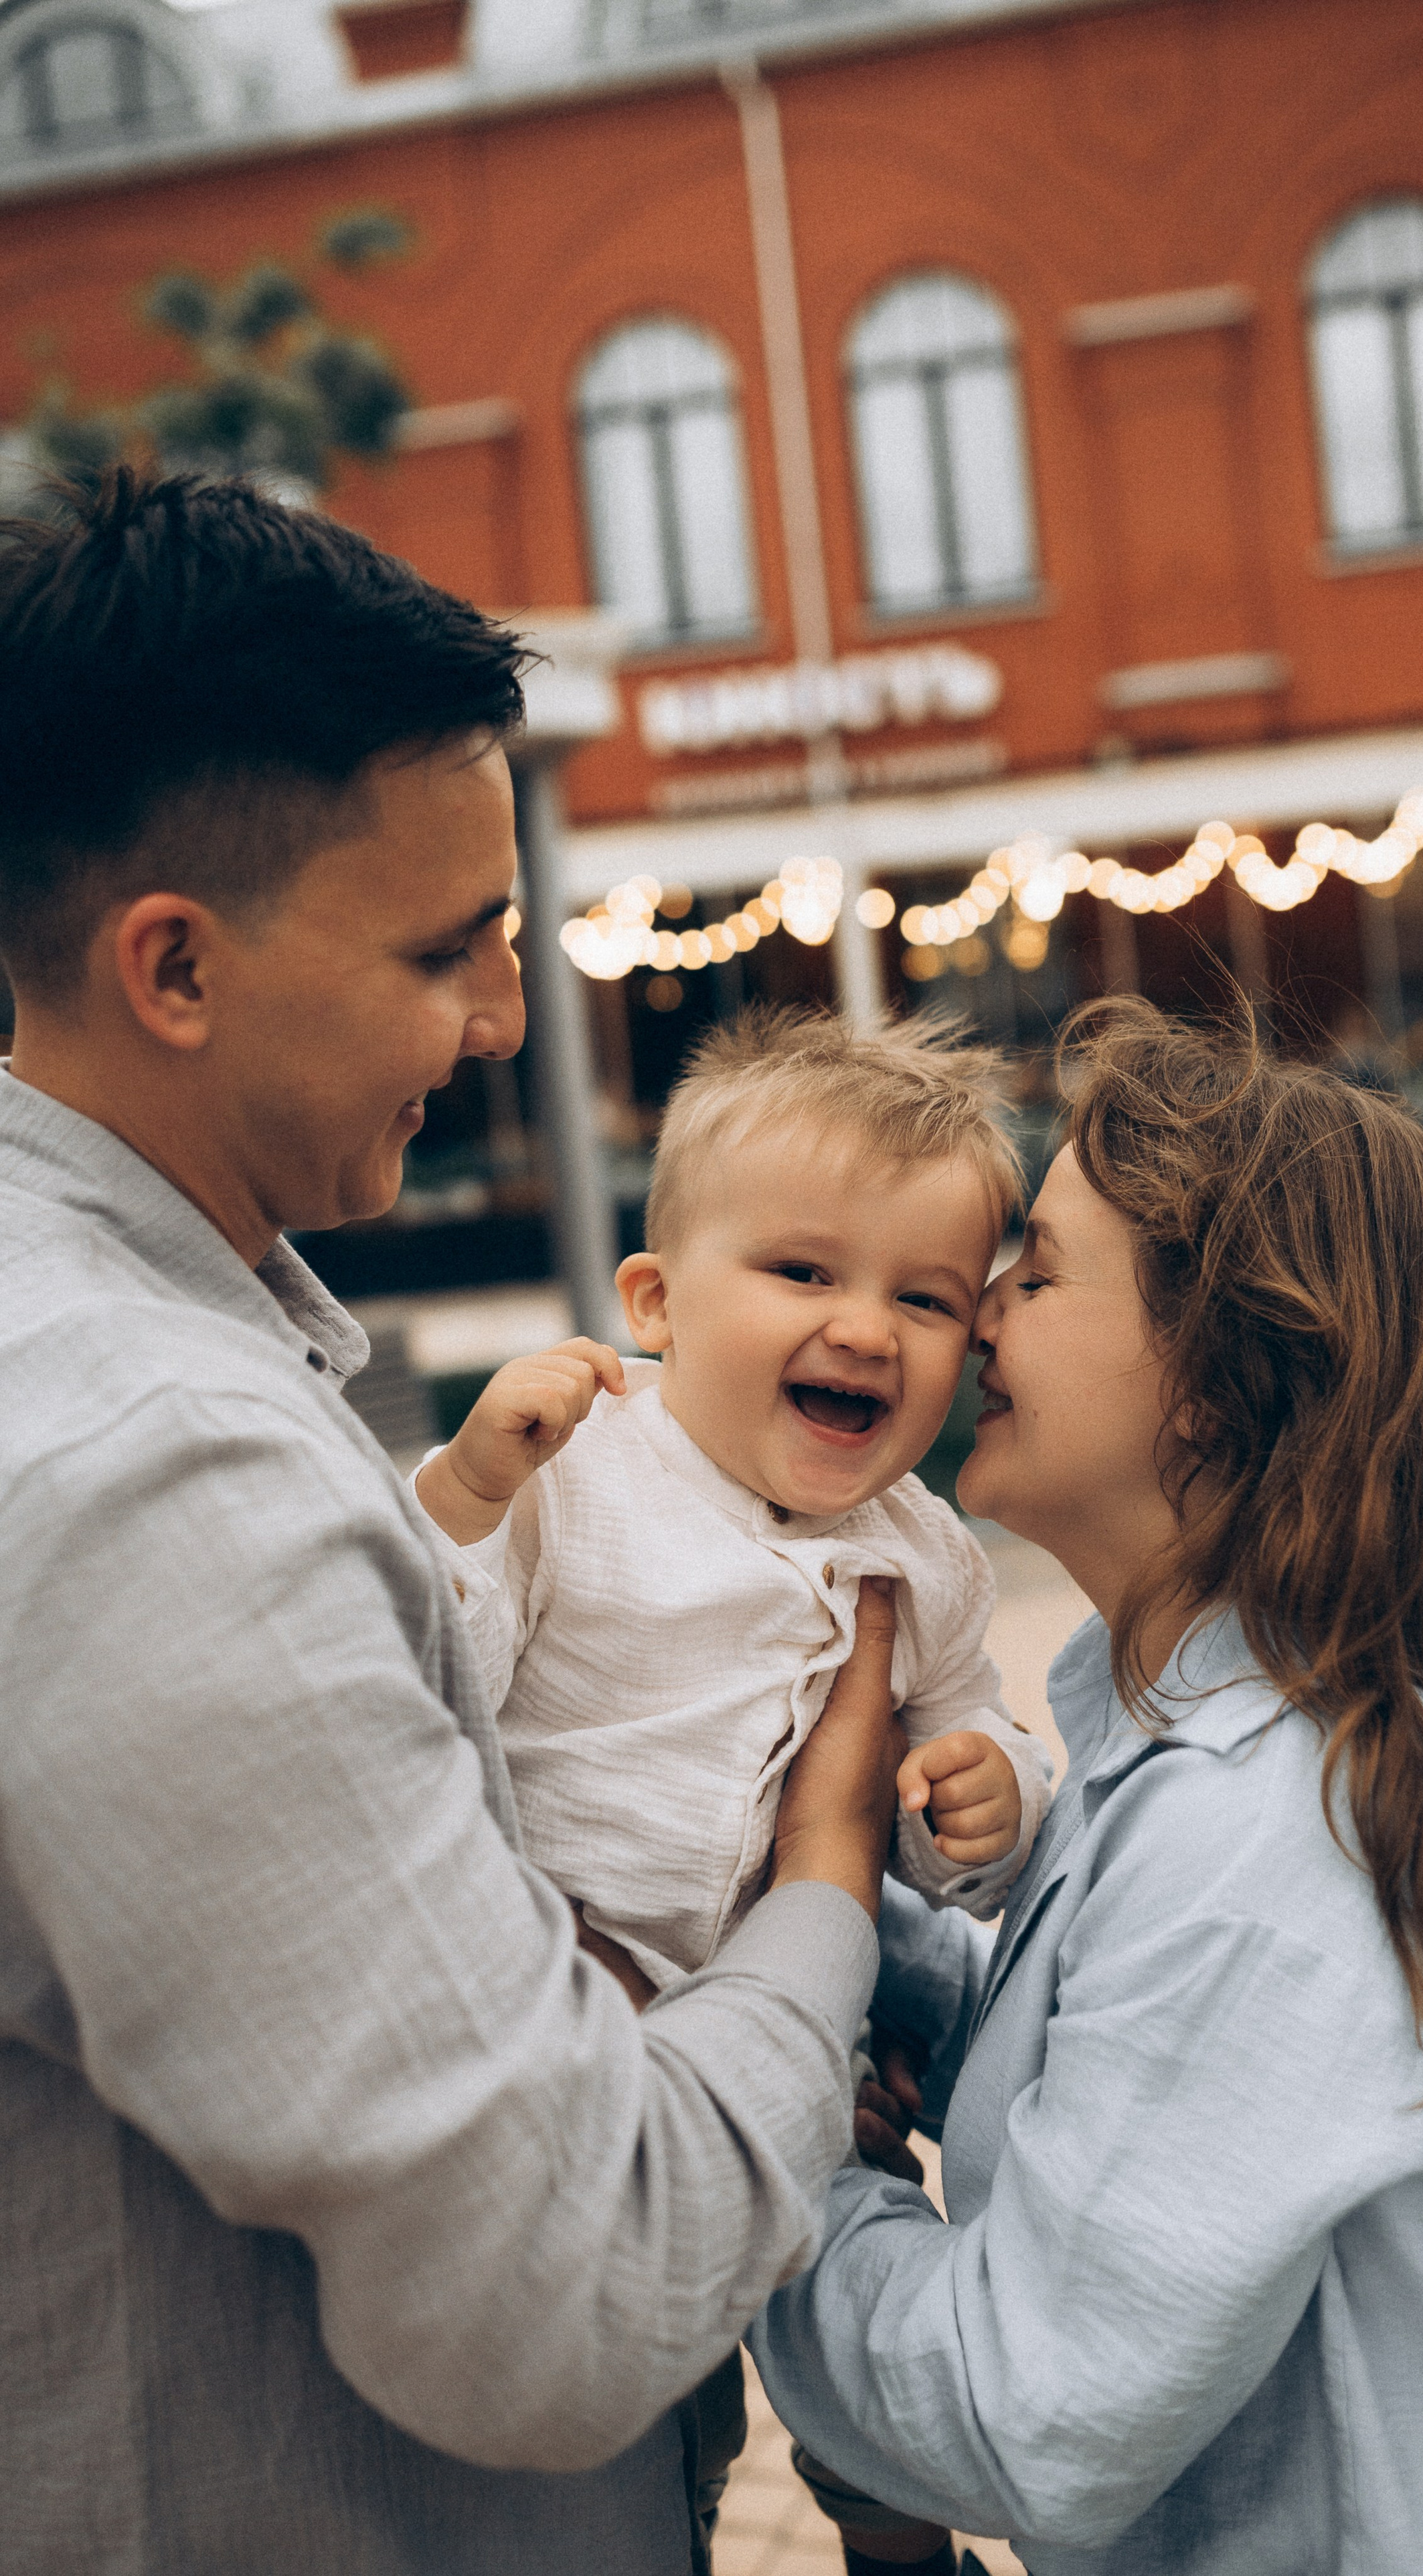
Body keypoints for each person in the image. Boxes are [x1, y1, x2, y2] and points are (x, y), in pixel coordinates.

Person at [0, 469, 906, 2575]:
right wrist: (828, 1876)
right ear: (176, 968)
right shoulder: (163, 1479)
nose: (505, 1019)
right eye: (446, 950)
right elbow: (560, 2297)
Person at [752, 996, 1423, 2575]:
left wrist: (757, 2142)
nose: (971, 1315)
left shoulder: (1288, 1824)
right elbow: (1122, 2022)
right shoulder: (1262, 1736)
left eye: (1037, 1270)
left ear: (1211, 1376)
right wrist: (844, 1929)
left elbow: (1022, 2412)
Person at [412, 1009, 1056, 2555]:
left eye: (922, 1297)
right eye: (802, 1272)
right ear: (653, 1303)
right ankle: (677, 2508)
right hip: (567, 2001)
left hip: (794, 2038)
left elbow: (973, 1747)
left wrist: (995, 1796)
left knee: (853, 2320)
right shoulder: (582, 1471)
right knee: (644, 2377)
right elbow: (424, 1665)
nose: (865, 1328)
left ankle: (892, 2534)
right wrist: (470, 1486)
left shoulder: (927, 1553)